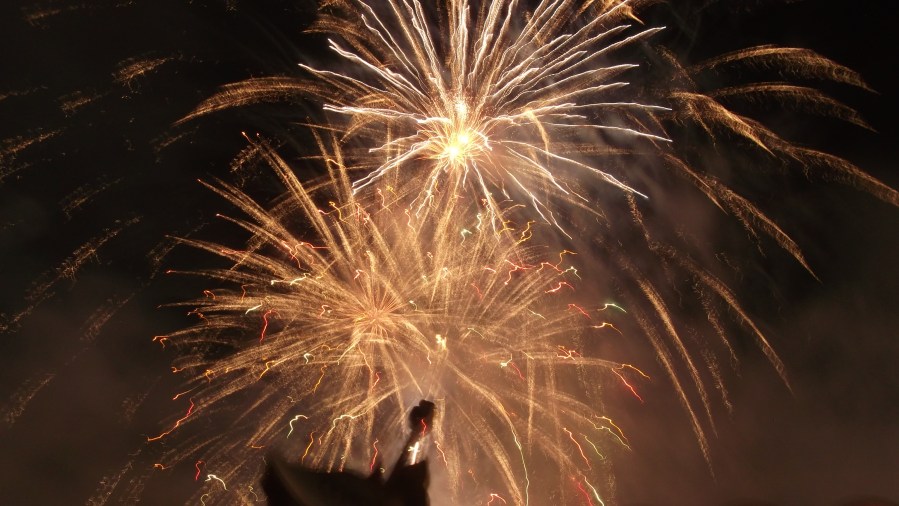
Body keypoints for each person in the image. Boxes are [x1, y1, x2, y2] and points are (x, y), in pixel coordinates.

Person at [262, 400, 434, 506]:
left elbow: (392, 486)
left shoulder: (369, 497)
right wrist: (417, 432)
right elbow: (393, 483)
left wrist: (417, 431)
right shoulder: (374, 496)